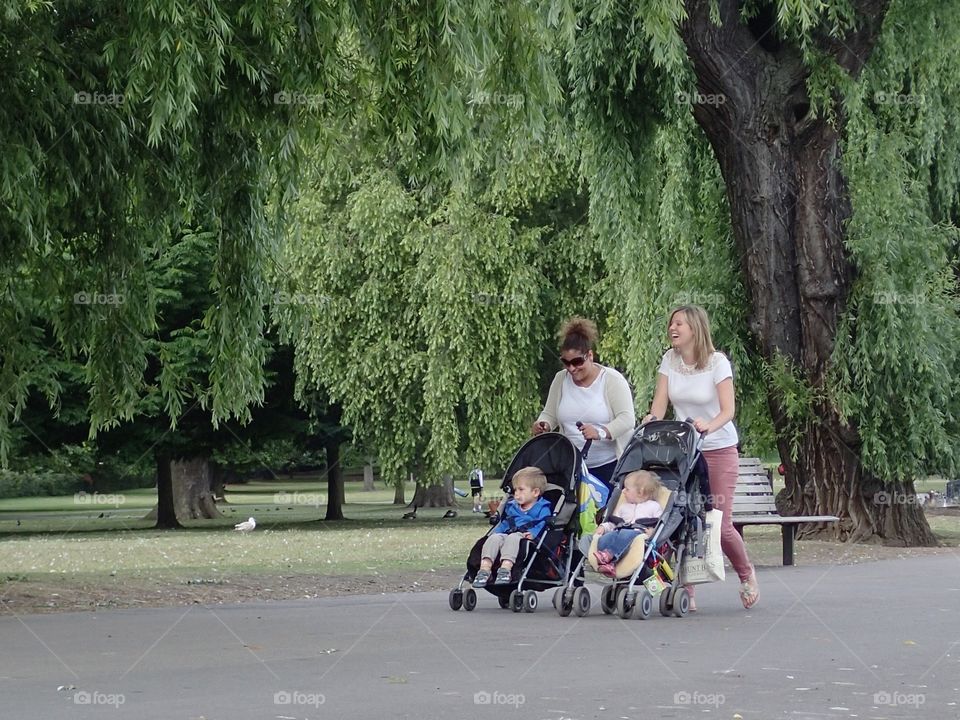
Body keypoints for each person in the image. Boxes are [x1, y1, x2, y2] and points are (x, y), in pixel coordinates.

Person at [642, 304, 759, 610]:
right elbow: (660, 403)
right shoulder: (669, 360)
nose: (673, 328)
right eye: (671, 324)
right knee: (677, 519)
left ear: (695, 328)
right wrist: (651, 419)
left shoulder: (717, 363)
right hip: (685, 450)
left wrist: (710, 425)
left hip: (718, 448)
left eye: (679, 323)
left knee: (718, 523)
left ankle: (746, 575)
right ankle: (685, 591)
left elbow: (728, 410)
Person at [532, 317, 636, 491]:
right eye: (566, 362)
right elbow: (549, 413)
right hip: (571, 466)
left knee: (603, 517)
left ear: (590, 355)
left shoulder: (612, 380)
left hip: (609, 466)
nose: (572, 368)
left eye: (577, 362)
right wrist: (543, 424)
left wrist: (600, 432)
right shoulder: (560, 380)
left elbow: (627, 419)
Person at [473, 467, 551, 587]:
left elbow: (543, 524)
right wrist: (496, 531)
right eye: (515, 490)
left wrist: (534, 534)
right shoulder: (512, 507)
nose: (516, 494)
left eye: (521, 490)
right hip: (508, 533)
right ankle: (484, 568)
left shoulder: (542, 508)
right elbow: (506, 522)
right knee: (494, 538)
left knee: (514, 537)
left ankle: (505, 569)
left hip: (524, 537)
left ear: (535, 492)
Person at [593, 470, 663, 577]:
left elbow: (660, 523)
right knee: (610, 535)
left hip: (639, 537)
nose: (623, 491)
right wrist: (604, 527)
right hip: (620, 533)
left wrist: (653, 532)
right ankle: (607, 559)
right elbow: (614, 522)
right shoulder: (623, 507)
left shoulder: (653, 506)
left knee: (626, 533)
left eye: (627, 489)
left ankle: (609, 555)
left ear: (640, 492)